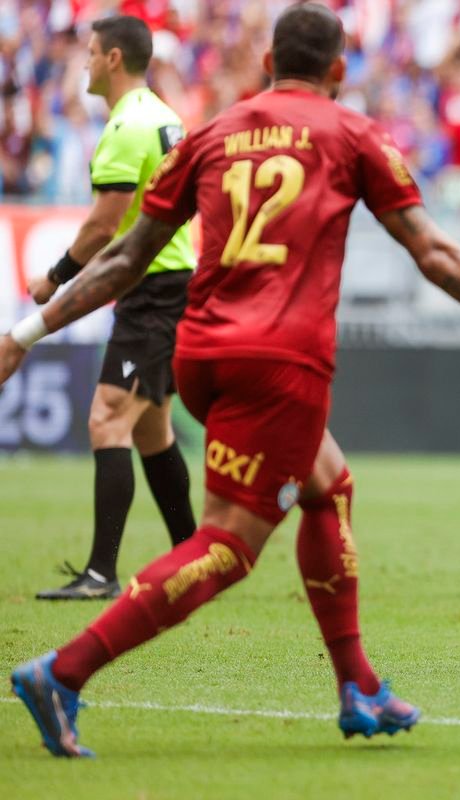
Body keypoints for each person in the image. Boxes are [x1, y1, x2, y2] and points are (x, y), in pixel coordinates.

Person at [2, 2, 460, 758]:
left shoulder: (212, 133)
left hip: (201, 353)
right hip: (279, 360)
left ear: (268, 64)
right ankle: (63, 672)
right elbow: (433, 254)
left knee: (328, 485)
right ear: (339, 70)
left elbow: (127, 257)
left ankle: (359, 686)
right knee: (228, 545)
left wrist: (23, 334)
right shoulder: (352, 134)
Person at [32, 16, 197, 601]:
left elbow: (104, 225)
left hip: (151, 289)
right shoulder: (165, 116)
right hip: (170, 281)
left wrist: (55, 278)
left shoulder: (127, 126)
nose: (84, 62)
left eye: (90, 52)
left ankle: (101, 574)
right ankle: (195, 555)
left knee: (107, 418)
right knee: (151, 428)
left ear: (113, 58)